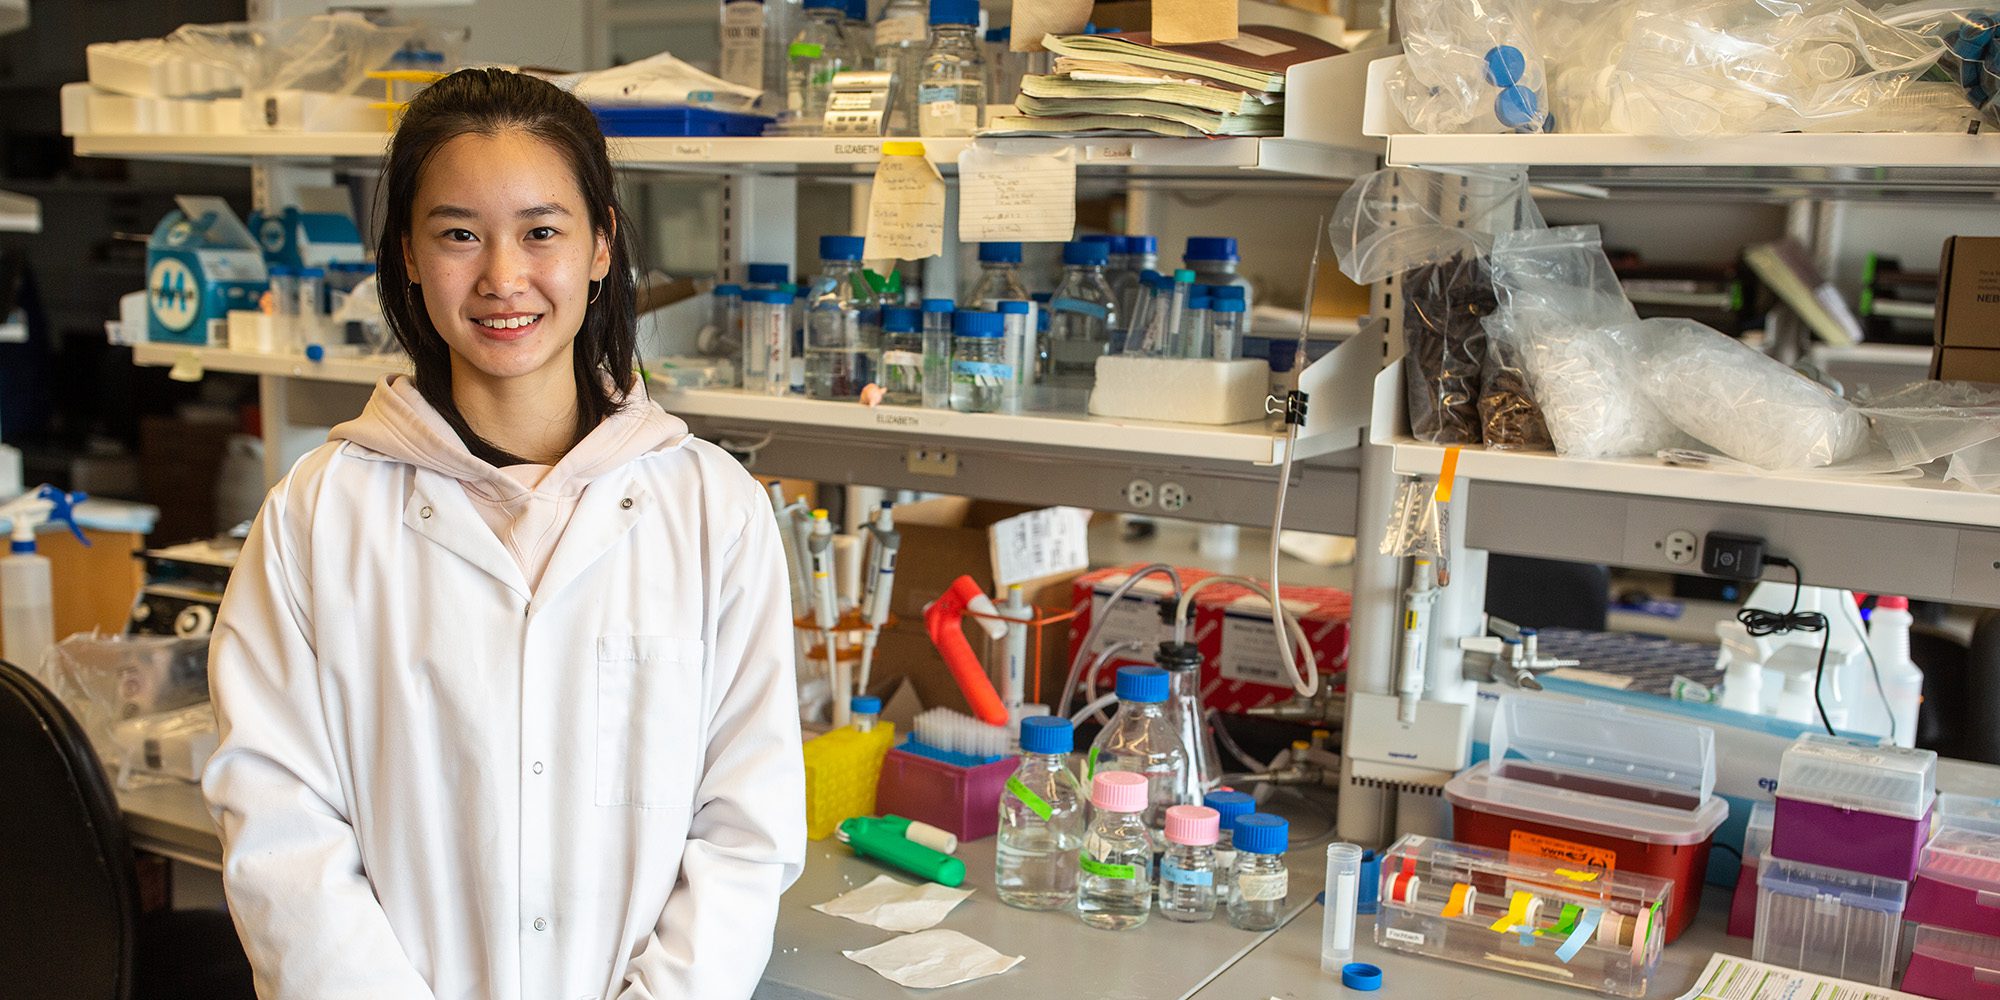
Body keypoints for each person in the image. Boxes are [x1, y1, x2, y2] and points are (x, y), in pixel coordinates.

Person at [202, 68, 805, 999]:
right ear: (407, 253)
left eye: (541, 232)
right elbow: (281, 832)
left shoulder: (712, 510)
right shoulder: (317, 517)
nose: (502, 278)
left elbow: (745, 831)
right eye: (457, 234)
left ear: (601, 242)